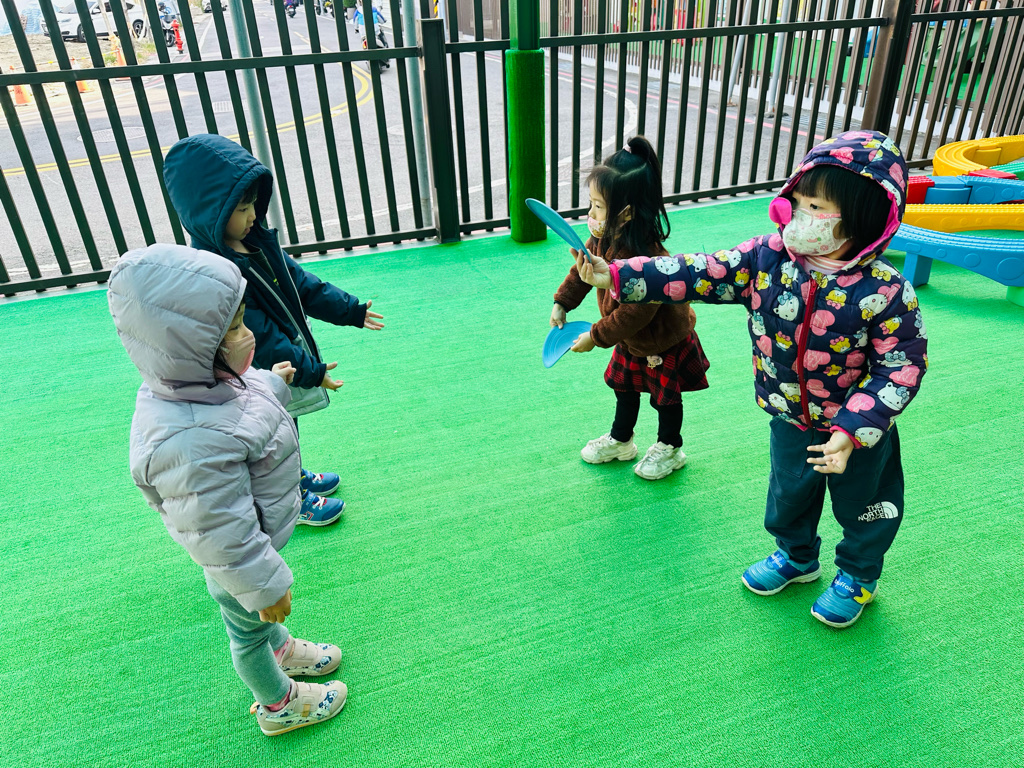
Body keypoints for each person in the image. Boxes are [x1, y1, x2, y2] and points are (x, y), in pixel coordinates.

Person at [572, 130, 927, 628]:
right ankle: (797, 556)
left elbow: (901, 365)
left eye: (815, 207)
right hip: (789, 414)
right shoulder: (768, 259)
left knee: (864, 505)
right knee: (788, 493)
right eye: (797, 201)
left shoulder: (885, 289)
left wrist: (853, 430)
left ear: (864, 215)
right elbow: (697, 271)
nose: (799, 215)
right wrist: (618, 275)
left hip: (857, 430)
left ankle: (859, 574)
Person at [108, 245, 348, 736]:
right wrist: (261, 583)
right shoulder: (188, 439)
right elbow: (216, 526)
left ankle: (281, 647)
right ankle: (279, 704)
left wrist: (274, 384)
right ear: (192, 347)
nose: (248, 334)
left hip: (248, 547)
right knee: (247, 635)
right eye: (235, 328)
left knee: (256, 624)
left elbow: (244, 403)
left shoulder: (203, 382)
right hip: (237, 561)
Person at [163, 134, 385, 526]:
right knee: (268, 439)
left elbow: (300, 283)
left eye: (254, 204)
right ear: (210, 212)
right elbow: (261, 338)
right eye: (242, 208)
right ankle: (287, 502)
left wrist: (349, 309)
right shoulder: (220, 272)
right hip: (250, 376)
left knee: (285, 428)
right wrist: (312, 371)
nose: (253, 215)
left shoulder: (254, 241)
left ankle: (291, 478)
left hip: (279, 367)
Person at [552, 135, 709, 480]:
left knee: (665, 399)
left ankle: (670, 447)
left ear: (626, 212)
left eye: (598, 206)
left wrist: (595, 336)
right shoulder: (603, 237)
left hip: (662, 340)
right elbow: (582, 271)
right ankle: (622, 440)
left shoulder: (649, 259)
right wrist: (563, 302)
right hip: (628, 338)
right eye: (591, 203)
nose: (590, 213)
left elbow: (635, 313)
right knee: (623, 388)